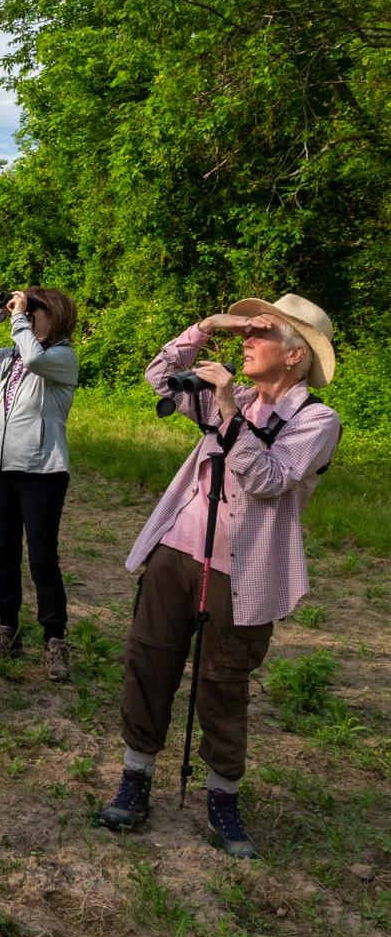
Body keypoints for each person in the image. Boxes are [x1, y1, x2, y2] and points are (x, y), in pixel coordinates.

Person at [98, 294, 340, 858]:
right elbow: (160, 378)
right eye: (246, 333)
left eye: (263, 335)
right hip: (176, 552)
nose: (247, 342)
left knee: (223, 683)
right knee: (149, 661)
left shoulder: (316, 421)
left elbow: (269, 479)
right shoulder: (235, 397)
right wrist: (207, 327)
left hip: (244, 572)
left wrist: (230, 410)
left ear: (295, 357)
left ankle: (222, 798)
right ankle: (135, 780)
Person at [0, 288, 79, 682]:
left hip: (43, 470)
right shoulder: (12, 356)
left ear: (52, 315)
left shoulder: (61, 357)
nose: (22, 315)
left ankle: (55, 637)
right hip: (1, 467)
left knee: (42, 557)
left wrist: (19, 320)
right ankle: (8, 627)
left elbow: (34, 358)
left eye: (32, 311)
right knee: (4, 553)